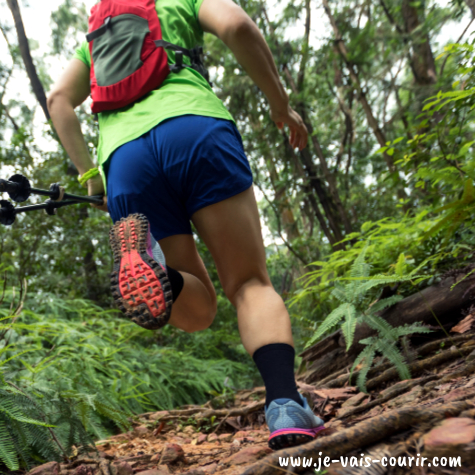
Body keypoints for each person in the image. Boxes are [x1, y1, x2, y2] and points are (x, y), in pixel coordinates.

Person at [47, 0, 324, 450]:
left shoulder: (96, 38)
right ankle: (285, 405)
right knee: (249, 283)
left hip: (124, 161)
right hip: (193, 129)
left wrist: (92, 178)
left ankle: (165, 278)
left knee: (196, 308)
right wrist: (281, 105)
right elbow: (236, 25)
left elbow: (59, 99)